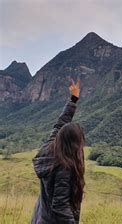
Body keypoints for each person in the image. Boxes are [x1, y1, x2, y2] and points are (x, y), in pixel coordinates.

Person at [31, 78, 85, 224]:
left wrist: (73, 99)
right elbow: (60, 205)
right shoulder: (64, 167)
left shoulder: (48, 148)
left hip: (40, 217)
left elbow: (60, 123)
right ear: (75, 145)